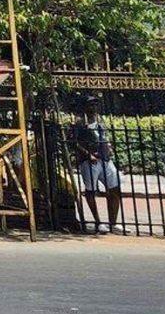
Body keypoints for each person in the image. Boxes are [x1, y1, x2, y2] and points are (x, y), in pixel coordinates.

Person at [73, 97, 122, 234]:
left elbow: (105, 138)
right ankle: (98, 222)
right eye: (91, 105)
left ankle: (114, 222)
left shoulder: (100, 122)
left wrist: (109, 147)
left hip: (105, 159)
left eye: (95, 104)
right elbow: (74, 142)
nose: (94, 107)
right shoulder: (80, 123)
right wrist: (88, 154)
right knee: (91, 191)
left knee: (114, 188)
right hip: (90, 161)